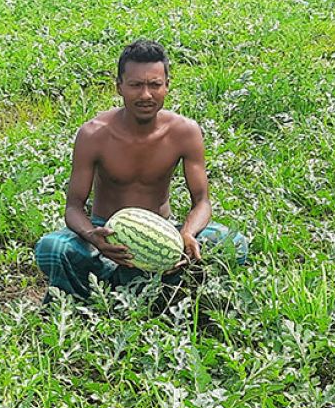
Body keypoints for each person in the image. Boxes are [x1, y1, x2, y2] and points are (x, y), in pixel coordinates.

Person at [34, 39, 249, 301]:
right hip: (105, 233)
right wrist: (94, 237)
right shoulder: (94, 134)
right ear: (119, 87)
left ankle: (130, 282)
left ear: (167, 86)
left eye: (155, 85)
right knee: (51, 248)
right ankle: (110, 289)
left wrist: (186, 235)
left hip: (164, 231)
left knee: (235, 244)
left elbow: (202, 201)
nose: (145, 95)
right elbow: (73, 207)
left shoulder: (184, 132)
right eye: (136, 85)